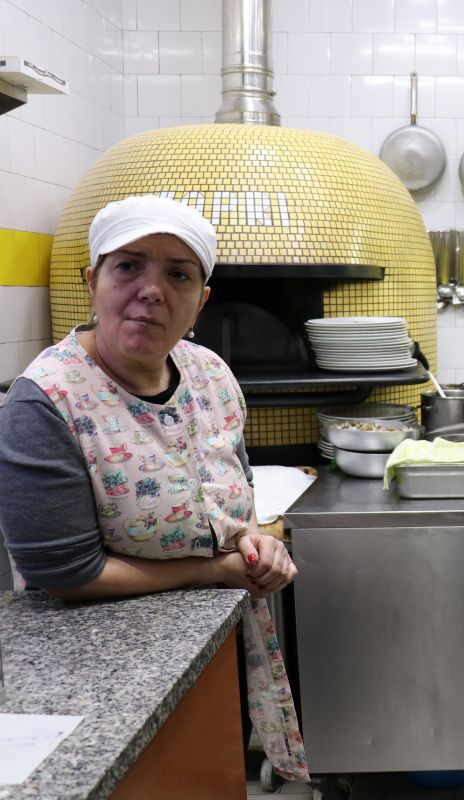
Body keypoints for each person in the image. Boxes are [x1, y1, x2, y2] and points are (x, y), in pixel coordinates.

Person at [0, 195, 308, 782]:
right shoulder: (45, 401)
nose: (152, 289)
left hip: (208, 644)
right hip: (94, 678)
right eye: (128, 266)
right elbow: (62, 573)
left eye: (178, 274)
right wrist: (214, 571)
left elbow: (233, 501)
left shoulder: (210, 374)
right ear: (92, 280)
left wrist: (257, 545)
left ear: (202, 299)